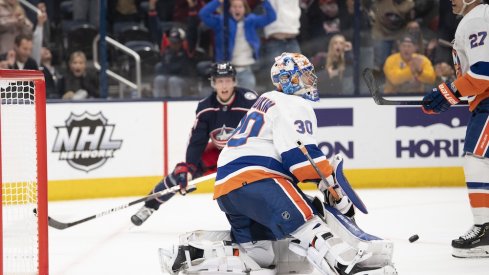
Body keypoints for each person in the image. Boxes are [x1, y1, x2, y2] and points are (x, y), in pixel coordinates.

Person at [207, 53, 396, 274]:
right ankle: (349, 267)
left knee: (261, 256)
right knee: (310, 220)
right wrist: (334, 188)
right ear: (289, 80)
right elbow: (302, 161)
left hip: (227, 189)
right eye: (305, 75)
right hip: (258, 180)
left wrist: (326, 184)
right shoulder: (293, 103)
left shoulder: (267, 99)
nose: (311, 80)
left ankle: (200, 257)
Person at [130, 62, 258, 226]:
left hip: (244, 154)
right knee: (181, 173)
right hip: (219, 153)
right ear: (213, 83)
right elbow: (197, 140)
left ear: (234, 81)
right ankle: (150, 205)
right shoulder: (205, 107)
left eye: (227, 80)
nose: (224, 85)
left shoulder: (249, 102)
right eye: (219, 81)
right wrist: (190, 166)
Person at [420, 0, 489, 258]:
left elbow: (484, 73)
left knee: (477, 160)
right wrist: (452, 94)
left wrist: (449, 92)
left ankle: (485, 229)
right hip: (483, 103)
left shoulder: (477, 19)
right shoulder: (479, 18)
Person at [198, 0, 276, 91]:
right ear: (229, 9)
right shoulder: (221, 22)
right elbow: (203, 14)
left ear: (244, 9)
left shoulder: (251, 21)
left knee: (247, 101)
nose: (237, 9)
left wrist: (264, 1)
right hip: (225, 71)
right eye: (234, 7)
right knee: (224, 102)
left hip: (245, 70)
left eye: (240, 7)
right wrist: (218, 2)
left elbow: (271, 17)